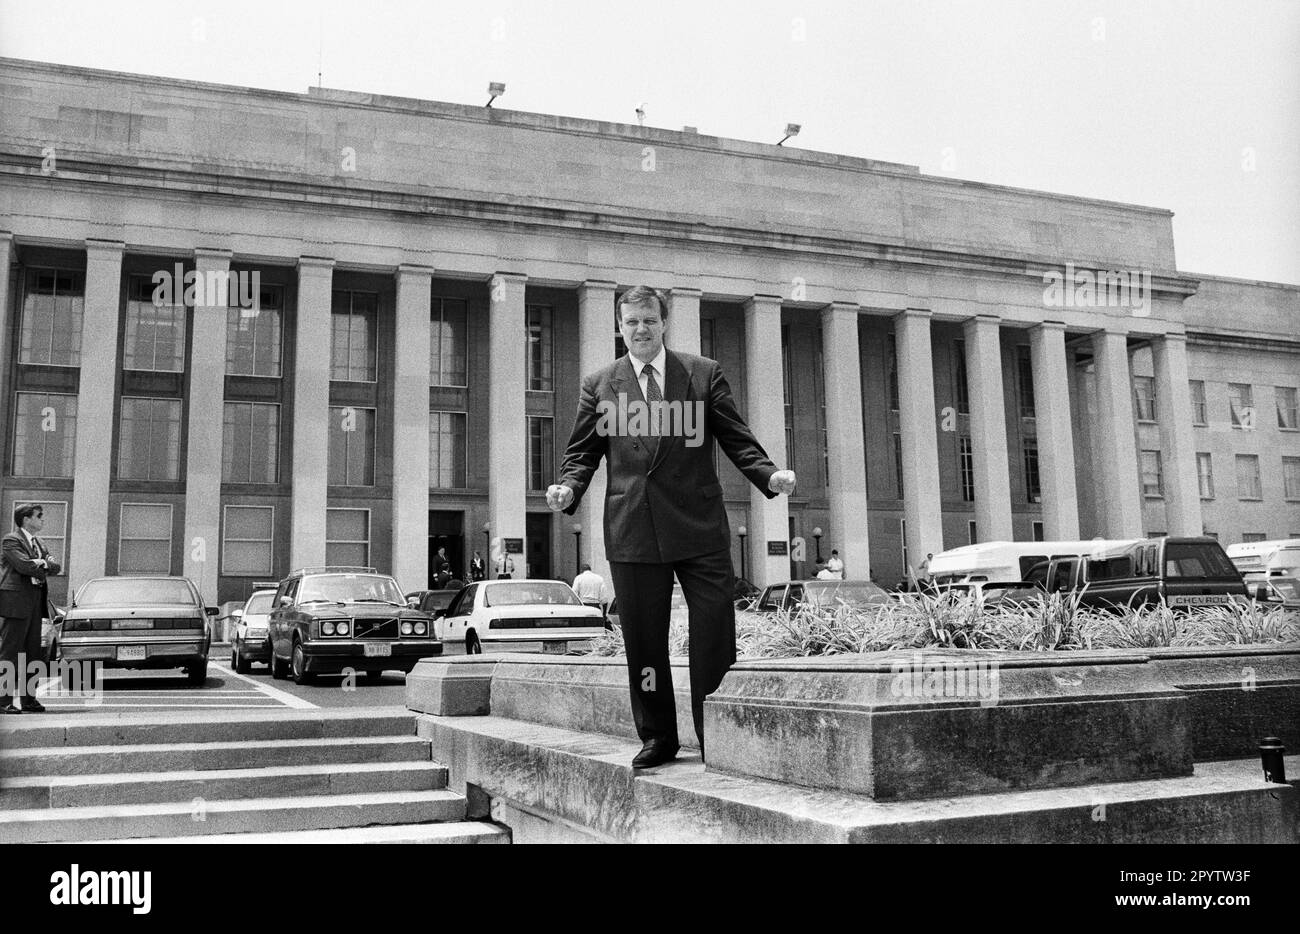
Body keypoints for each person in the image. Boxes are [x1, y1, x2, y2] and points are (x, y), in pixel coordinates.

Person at [548, 285, 796, 769]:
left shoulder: (702, 374)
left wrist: (768, 473)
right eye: (630, 322)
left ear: (664, 323)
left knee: (714, 633)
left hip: (698, 526)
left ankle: (715, 730)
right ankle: (658, 735)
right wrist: (568, 488)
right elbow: (583, 453)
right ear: (620, 327)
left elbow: (734, 435)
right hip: (633, 528)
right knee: (643, 642)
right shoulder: (600, 384)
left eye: (649, 321)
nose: (640, 330)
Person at [0, 503, 61, 714]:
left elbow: (56, 566)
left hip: (36, 601)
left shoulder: (40, 542)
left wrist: (42, 562)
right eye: (39, 516)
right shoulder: (11, 540)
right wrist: (42, 563)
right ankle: (3, 701)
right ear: (26, 519)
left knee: (33, 653)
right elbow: (23, 566)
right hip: (16, 603)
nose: (42, 520)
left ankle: (29, 700)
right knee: (10, 653)